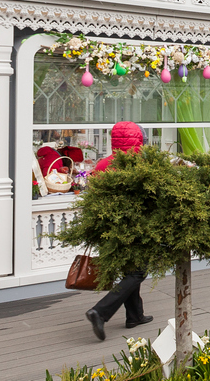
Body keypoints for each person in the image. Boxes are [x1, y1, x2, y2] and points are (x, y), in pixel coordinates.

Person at [84, 121, 153, 341]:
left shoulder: (103, 164)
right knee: (138, 273)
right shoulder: (142, 166)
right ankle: (100, 311)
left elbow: (92, 196)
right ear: (139, 140)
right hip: (135, 227)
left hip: (109, 228)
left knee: (130, 271)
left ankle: (135, 316)